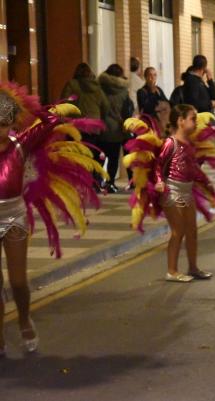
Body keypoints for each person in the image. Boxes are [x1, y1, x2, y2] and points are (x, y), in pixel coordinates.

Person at [1, 82, 106, 356]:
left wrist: (45, 108)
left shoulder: (21, 143)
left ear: (11, 123)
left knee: (18, 282)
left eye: (4, 124)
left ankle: (24, 319)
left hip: (13, 216)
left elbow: (49, 121)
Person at [154, 105, 213, 282]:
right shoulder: (170, 143)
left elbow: (192, 168)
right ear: (180, 121)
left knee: (192, 231)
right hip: (172, 191)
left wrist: (204, 180)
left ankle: (193, 268)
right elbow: (158, 164)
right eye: (192, 118)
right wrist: (159, 181)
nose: (196, 122)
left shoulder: (189, 144)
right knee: (177, 230)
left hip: (187, 191)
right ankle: (171, 271)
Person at [98, 63, 134, 193]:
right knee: (113, 158)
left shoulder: (99, 87)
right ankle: (110, 183)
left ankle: (98, 181)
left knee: (100, 157)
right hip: (116, 128)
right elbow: (127, 110)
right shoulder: (123, 91)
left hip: (101, 127)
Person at [137, 67, 170, 134]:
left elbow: (166, 102)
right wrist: (152, 92)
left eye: (155, 75)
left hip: (160, 123)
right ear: (145, 77)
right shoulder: (141, 92)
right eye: (150, 75)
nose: (153, 77)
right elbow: (147, 108)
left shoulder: (158, 90)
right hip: (149, 124)